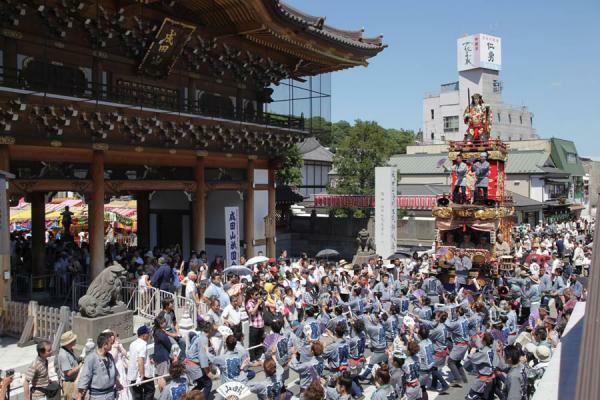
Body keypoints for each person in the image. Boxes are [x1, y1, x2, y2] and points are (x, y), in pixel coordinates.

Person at [77, 333, 123, 400]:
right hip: (97, 396)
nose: (112, 345)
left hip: (111, 394)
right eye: (110, 343)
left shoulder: (110, 356)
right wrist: (80, 396)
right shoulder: (91, 358)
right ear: (105, 345)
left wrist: (117, 383)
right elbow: (85, 377)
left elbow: (114, 372)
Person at [128, 326, 154, 400]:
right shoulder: (143, 344)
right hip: (143, 375)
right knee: (150, 391)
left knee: (137, 395)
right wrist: (142, 376)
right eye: (148, 333)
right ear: (143, 335)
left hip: (133, 375)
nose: (149, 334)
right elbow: (140, 360)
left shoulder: (132, 344)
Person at [56, 331, 82, 400]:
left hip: (73, 381)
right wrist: (80, 366)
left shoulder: (69, 350)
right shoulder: (63, 355)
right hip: (69, 384)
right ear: (69, 343)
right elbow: (68, 373)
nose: (75, 341)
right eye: (73, 340)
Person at [245, 287, 265, 363]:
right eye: (256, 294)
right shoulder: (249, 303)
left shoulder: (259, 301)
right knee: (253, 343)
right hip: (254, 326)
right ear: (251, 295)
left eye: (258, 294)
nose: (258, 296)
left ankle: (258, 356)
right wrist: (258, 304)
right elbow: (252, 312)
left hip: (261, 325)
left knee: (259, 342)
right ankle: (253, 358)